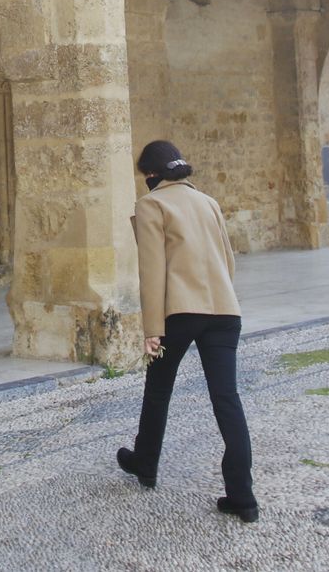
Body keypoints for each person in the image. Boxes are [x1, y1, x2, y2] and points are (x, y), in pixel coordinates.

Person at [117, 139, 258, 523]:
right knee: (227, 398)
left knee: (159, 388)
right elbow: (228, 260)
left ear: (150, 173)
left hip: (179, 312)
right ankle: (243, 497)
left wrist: (152, 328)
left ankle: (146, 463)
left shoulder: (151, 205)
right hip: (225, 311)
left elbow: (152, 271)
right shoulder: (207, 201)